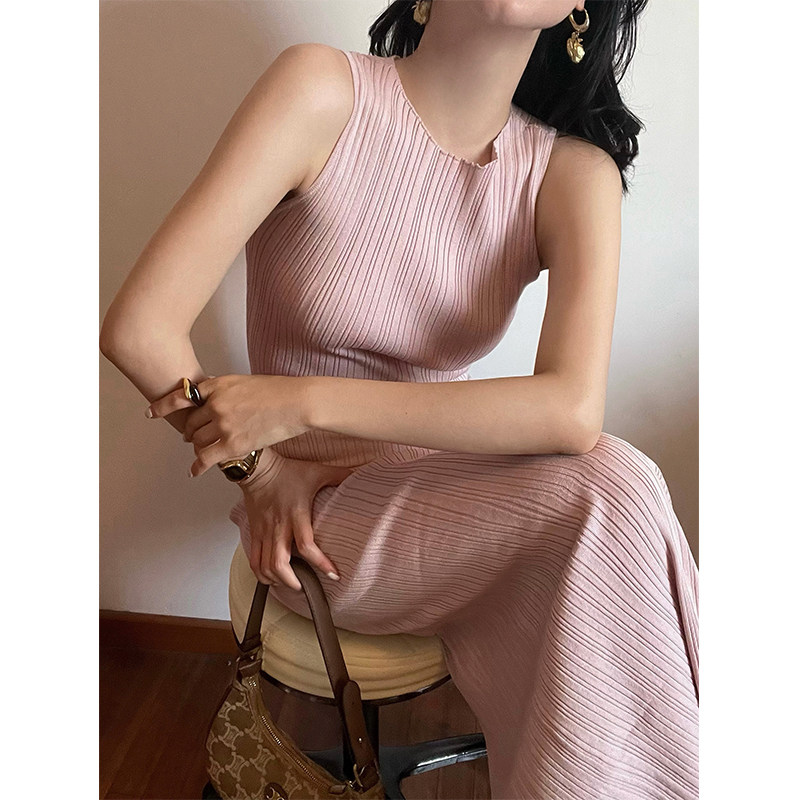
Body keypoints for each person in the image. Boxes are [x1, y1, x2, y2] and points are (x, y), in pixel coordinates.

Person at [100, 1, 698, 797]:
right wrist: (262, 473)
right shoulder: (321, 92)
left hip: (453, 497)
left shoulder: (571, 174)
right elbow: (140, 329)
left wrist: (303, 401)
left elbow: (568, 412)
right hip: (314, 518)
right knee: (617, 493)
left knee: (616, 487)